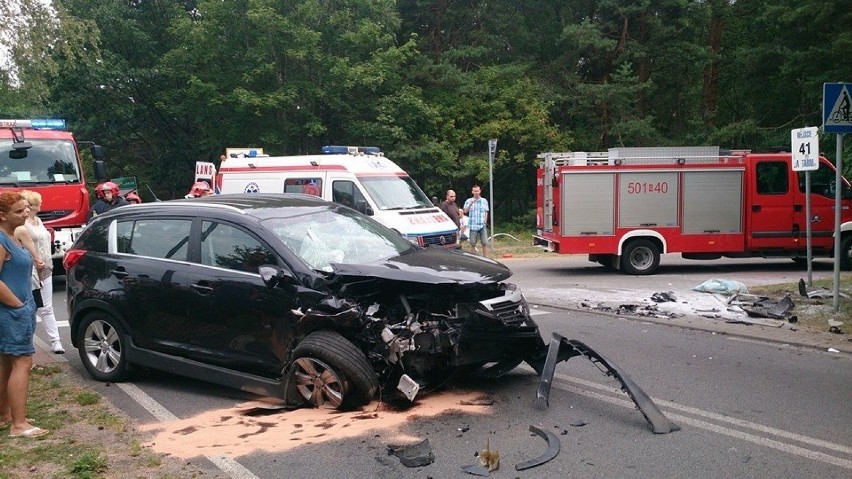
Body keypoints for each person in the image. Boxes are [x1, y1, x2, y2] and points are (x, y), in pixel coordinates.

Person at [0, 191, 47, 438]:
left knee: (6, 362)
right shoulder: (1, 239)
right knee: (22, 362)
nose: (25, 213)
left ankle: (6, 415)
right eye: (19, 211)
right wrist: (18, 305)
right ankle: (18, 425)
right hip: (10, 311)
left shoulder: (14, 235)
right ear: (2, 216)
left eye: (25, 209)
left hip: (19, 308)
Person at [16, 191, 63, 354]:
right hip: (31, 271)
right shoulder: (21, 226)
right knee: (31, 307)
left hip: (46, 267)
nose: (38, 205)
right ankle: (26, 342)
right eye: (35, 203)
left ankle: (55, 341)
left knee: (48, 307)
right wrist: (35, 260)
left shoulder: (39, 220)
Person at [463, 185, 489, 256]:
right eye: (475, 191)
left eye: (477, 191)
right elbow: (465, 211)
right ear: (472, 192)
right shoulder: (468, 201)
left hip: (481, 224)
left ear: (480, 191)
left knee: (484, 242)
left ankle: (485, 257)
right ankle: (474, 258)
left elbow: (486, 211)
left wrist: (485, 221)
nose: (476, 192)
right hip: (473, 224)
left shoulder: (484, 201)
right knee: (473, 243)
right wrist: (471, 203)